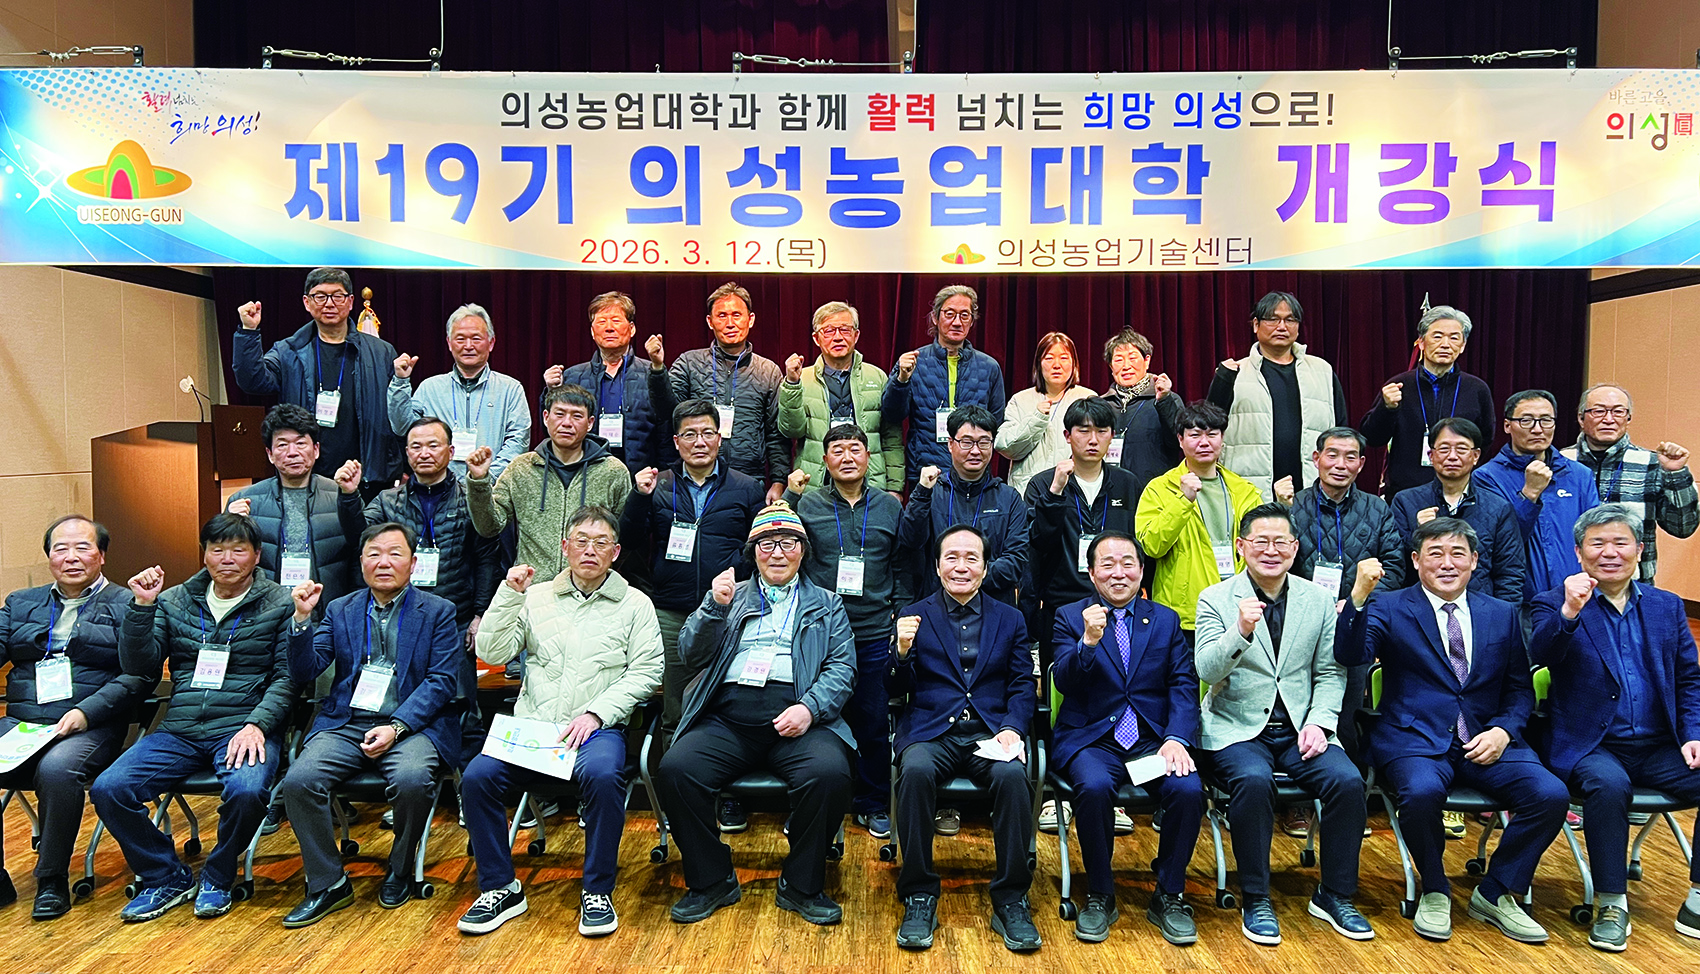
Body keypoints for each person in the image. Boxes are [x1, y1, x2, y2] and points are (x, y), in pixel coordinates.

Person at [1336, 517, 1569, 944]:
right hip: (1415, 739)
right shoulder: (1389, 606)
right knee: (1421, 793)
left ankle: (1496, 891)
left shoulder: (1500, 613)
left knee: (1550, 795)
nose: (1447, 563)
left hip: (1487, 739)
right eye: (1435, 553)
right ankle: (1435, 887)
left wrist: (1503, 731)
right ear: (1415, 560)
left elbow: (1519, 689)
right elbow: (1350, 655)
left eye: (1458, 553)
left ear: (1475, 561)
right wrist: (1358, 597)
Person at [461, 506, 664, 938]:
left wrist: (597, 713)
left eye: (601, 543)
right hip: (535, 729)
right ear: (564, 547)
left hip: (597, 729)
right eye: (581, 541)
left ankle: (597, 890)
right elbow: (492, 652)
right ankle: (500, 887)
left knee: (604, 776)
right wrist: (508, 595)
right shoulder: (534, 597)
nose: (590, 550)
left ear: (615, 552)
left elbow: (648, 671)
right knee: (477, 777)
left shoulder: (636, 604)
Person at [655, 503, 857, 927]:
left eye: (788, 543)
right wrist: (713, 607)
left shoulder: (827, 604)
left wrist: (809, 708)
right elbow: (689, 654)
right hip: (728, 719)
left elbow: (842, 668)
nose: (777, 552)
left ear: (803, 551)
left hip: (799, 719)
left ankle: (802, 884)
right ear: (753, 552)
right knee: (677, 768)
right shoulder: (729, 595)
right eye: (767, 544)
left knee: (829, 773)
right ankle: (711, 880)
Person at [90, 514, 296, 922]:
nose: (227, 559)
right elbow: (140, 666)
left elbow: (287, 678)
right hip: (180, 730)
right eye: (217, 549)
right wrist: (142, 607)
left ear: (257, 556)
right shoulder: (175, 600)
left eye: (238, 550)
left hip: (243, 726)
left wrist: (257, 724)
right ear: (204, 555)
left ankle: (218, 875)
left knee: (248, 791)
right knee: (109, 788)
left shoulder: (280, 603)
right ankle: (165, 876)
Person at [1195, 504, 1371, 945]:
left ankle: (1334, 894)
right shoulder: (1215, 598)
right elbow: (1207, 670)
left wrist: (1320, 723)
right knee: (1253, 782)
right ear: (1241, 547)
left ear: (1295, 548)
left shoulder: (1318, 600)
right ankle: (1256, 897)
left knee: (1348, 782)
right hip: (1236, 728)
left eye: (1281, 542)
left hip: (1300, 727)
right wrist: (1239, 630)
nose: (1271, 551)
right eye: (1261, 541)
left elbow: (1330, 672)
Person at [1529, 504, 1700, 951]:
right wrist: (1569, 611)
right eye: (1598, 544)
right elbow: (1540, 654)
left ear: (1639, 550)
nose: (1610, 553)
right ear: (1579, 553)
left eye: (1620, 543)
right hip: (1593, 745)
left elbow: (1689, 679)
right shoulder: (1554, 601)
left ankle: (1697, 899)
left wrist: (1694, 734)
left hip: (1660, 745)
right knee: (1608, 787)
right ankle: (1611, 903)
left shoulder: (1666, 606)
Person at [276, 522, 462, 927]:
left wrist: (397, 727)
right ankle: (327, 882)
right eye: (374, 554)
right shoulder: (340, 608)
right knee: (299, 781)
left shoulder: (439, 611)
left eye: (395, 554)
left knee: (412, 780)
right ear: (361, 562)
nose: (383, 562)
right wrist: (302, 620)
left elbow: (442, 681)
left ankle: (400, 867)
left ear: (414, 563)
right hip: (347, 722)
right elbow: (305, 670)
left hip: (413, 725)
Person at [890, 525, 1040, 953]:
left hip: (990, 732)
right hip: (931, 731)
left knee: (1013, 777)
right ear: (937, 567)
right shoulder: (913, 614)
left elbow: (1022, 684)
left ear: (985, 568)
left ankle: (1011, 897)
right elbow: (893, 687)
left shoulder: (1010, 617)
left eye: (971, 558)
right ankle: (919, 893)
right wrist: (901, 652)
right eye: (951, 558)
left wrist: (1012, 728)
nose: (961, 566)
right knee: (915, 772)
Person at [1051, 532, 1204, 945]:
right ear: (1091, 573)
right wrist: (1087, 642)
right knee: (1094, 787)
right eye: (1107, 565)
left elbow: (1183, 683)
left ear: (1141, 569)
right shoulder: (1070, 616)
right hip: (1093, 738)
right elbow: (1063, 681)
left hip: (1152, 740)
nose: (1118, 573)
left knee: (1189, 790)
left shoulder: (1165, 620)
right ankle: (1100, 893)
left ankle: (1169, 894)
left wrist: (1177, 738)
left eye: (1127, 563)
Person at [0, 516, 151, 919]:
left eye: (82, 548)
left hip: (90, 724)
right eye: (60, 549)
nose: (71, 557)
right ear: (49, 556)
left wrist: (86, 712)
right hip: (22, 723)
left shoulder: (128, 602)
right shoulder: (20, 602)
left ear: (101, 555)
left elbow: (139, 675)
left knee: (56, 770)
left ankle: (51, 879)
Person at [782, 425, 907, 839]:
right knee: (816, 719)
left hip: (873, 631)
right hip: (821, 633)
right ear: (825, 460)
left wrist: (899, 614)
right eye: (837, 450)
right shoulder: (809, 503)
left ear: (869, 457)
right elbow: (779, 541)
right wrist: (789, 496)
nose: (847, 457)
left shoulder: (889, 506)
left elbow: (901, 564)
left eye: (855, 449)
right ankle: (812, 803)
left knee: (872, 722)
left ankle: (873, 803)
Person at [620, 399, 766, 744]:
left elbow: (758, 547)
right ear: (676, 442)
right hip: (672, 611)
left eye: (707, 433)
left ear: (719, 438)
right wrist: (638, 498)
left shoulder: (747, 487)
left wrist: (738, 574)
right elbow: (629, 541)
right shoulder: (658, 484)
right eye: (689, 434)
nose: (699, 442)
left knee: (732, 700)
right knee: (676, 705)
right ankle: (676, 771)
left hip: (731, 611)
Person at [1288, 428, 1406, 768]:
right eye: (1332, 455)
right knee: (1297, 706)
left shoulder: (1377, 510)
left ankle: (1345, 781)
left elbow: (1395, 568)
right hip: (1301, 623)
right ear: (1316, 459)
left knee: (1347, 709)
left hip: (1356, 624)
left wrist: (1356, 600)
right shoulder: (1292, 507)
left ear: (1361, 464)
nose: (1340, 464)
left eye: (1350, 457)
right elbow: (1275, 567)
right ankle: (1303, 782)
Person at [232, 267, 399, 497]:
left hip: (367, 480)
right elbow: (253, 381)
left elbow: (397, 413)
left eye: (337, 296)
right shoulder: (288, 351)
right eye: (320, 296)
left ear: (350, 302)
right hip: (307, 479)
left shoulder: (381, 352)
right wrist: (249, 332)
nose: (329, 303)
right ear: (307, 302)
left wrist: (399, 465)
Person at [350, 416, 500, 654]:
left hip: (456, 618)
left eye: (433, 445)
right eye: (416, 447)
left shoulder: (470, 499)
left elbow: (487, 559)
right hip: (397, 615)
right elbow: (358, 537)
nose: (424, 453)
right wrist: (349, 496)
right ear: (407, 453)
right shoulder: (388, 500)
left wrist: (481, 613)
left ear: (451, 452)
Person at [465, 384, 633, 582]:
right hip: (533, 587)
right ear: (546, 417)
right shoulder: (521, 468)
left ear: (590, 423)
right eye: (559, 414)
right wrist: (479, 481)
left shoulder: (613, 471)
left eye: (577, 416)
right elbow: (488, 527)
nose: (567, 423)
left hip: (589, 589)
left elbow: (625, 537)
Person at [1023, 397, 1139, 669]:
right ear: (1067, 436)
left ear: (1112, 435)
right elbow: (1038, 542)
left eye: (1101, 431)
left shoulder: (1127, 483)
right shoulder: (1043, 483)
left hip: (1117, 605)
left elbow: (1137, 542)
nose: (1093, 440)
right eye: (1084, 431)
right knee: (1063, 680)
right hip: (1061, 606)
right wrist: (1055, 494)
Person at [1135, 400, 1263, 643]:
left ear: (1222, 438)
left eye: (1212, 434)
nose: (1204, 442)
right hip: (1183, 614)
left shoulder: (1244, 490)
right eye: (1195, 435)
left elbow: (1259, 549)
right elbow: (1151, 546)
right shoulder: (1159, 489)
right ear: (1180, 440)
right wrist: (1182, 501)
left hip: (1236, 610)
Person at [1208, 291, 1349, 503]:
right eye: (1273, 319)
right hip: (1250, 489)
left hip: (1312, 490)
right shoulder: (1235, 372)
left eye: (1290, 320)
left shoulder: (1322, 370)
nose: (1282, 327)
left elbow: (1341, 429)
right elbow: (1210, 427)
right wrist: (1222, 380)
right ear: (1256, 325)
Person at [227, 405, 365, 610]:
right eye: (282, 445)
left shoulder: (341, 494)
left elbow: (361, 546)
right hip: (266, 613)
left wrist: (350, 498)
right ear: (270, 454)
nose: (292, 453)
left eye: (300, 443)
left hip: (327, 609)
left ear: (316, 450)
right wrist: (230, 524)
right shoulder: (245, 501)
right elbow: (226, 561)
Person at [1561, 383, 1696, 583]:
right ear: (1581, 418)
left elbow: (1683, 528)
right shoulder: (1561, 463)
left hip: (1633, 586)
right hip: (1570, 582)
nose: (1609, 419)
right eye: (1598, 411)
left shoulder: (1652, 463)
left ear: (1628, 418)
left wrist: (1675, 474)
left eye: (1618, 412)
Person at [896, 404, 1029, 608]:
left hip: (993, 607)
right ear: (950, 444)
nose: (975, 451)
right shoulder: (931, 492)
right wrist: (921, 494)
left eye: (984, 442)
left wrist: (968, 577)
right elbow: (910, 542)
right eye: (966, 442)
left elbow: (1016, 560)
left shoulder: (1009, 498)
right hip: (937, 606)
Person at [667, 281, 788, 503]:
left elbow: (775, 434)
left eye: (736, 315)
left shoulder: (768, 371)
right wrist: (657, 370)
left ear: (750, 319)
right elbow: (667, 414)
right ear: (710, 321)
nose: (730, 323)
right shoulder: (688, 363)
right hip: (696, 479)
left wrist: (778, 481)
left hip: (750, 479)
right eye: (722, 316)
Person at [1475, 390, 1600, 603]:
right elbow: (1498, 544)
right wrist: (1529, 494)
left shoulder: (1579, 475)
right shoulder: (1486, 477)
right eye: (1526, 421)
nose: (1537, 429)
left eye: (1546, 420)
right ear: (1507, 426)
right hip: (1519, 601)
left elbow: (1595, 536)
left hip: (1576, 597)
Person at [1360, 306, 1496, 500]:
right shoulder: (1399, 385)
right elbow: (1371, 438)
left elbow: (1485, 439)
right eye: (1437, 336)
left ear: (1463, 345)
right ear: (1422, 343)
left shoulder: (1477, 389)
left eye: (1454, 338)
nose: (1445, 344)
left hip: (1458, 492)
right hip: (1406, 493)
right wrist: (1387, 408)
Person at [881, 285, 1008, 488]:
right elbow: (892, 415)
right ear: (935, 317)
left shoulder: (989, 367)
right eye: (949, 314)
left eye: (964, 315)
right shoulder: (913, 362)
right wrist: (901, 380)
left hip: (973, 473)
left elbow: (996, 423)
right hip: (926, 472)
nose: (957, 322)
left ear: (972, 321)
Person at [388, 303, 532, 481]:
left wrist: (483, 479)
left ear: (491, 343)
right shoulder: (430, 388)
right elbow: (402, 428)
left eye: (476, 338)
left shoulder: (510, 389)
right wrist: (400, 382)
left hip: (493, 488)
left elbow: (518, 442)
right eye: (460, 339)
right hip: (440, 487)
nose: (468, 346)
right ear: (449, 343)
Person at [1390, 418, 1526, 605]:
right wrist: (1417, 533)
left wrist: (1504, 616)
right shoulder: (1405, 502)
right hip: (1419, 610)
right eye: (1444, 448)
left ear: (1476, 456)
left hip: (1479, 610)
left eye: (1461, 449)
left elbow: (1510, 573)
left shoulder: (1498, 508)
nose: (1452, 456)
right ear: (1431, 455)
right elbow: (1395, 565)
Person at [778, 301, 905, 495]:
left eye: (845, 330)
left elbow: (892, 436)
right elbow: (791, 431)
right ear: (816, 338)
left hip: (870, 484)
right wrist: (792, 385)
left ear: (856, 335)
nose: (837, 337)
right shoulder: (801, 378)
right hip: (817, 485)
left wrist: (895, 487)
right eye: (829, 331)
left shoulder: (877, 377)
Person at [543, 291, 674, 474]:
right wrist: (551, 391)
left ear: (632, 329)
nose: (609, 328)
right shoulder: (572, 376)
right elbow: (553, 430)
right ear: (592, 331)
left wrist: (662, 477)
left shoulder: (651, 373)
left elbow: (667, 427)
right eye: (602, 322)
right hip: (585, 475)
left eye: (616, 321)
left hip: (640, 476)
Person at [997, 332, 1097, 493]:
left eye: (1064, 358)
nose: (1057, 365)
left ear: (1074, 364)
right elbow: (1005, 446)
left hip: (1074, 492)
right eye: (1049, 358)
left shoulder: (1087, 398)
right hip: (1028, 492)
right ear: (1039, 364)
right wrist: (1036, 419)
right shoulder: (1020, 400)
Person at [1101, 328, 1180, 498]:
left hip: (1156, 495)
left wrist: (1164, 401)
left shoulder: (1167, 399)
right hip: (1110, 494)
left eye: (1132, 358)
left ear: (1147, 361)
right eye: (1119, 360)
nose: (1126, 366)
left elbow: (1179, 442)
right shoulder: (1102, 405)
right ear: (1111, 366)